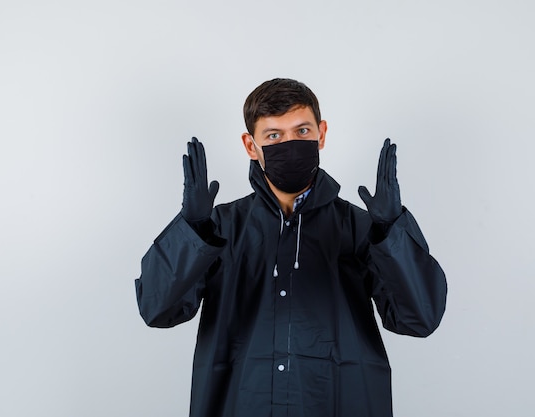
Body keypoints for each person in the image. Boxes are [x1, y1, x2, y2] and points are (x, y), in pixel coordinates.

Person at [135, 78, 447, 417]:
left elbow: (420, 318)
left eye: (302, 132)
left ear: (321, 133)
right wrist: (192, 231)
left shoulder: (360, 228)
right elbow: (157, 309)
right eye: (274, 136)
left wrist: (391, 231)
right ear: (251, 145)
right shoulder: (218, 229)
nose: (290, 144)